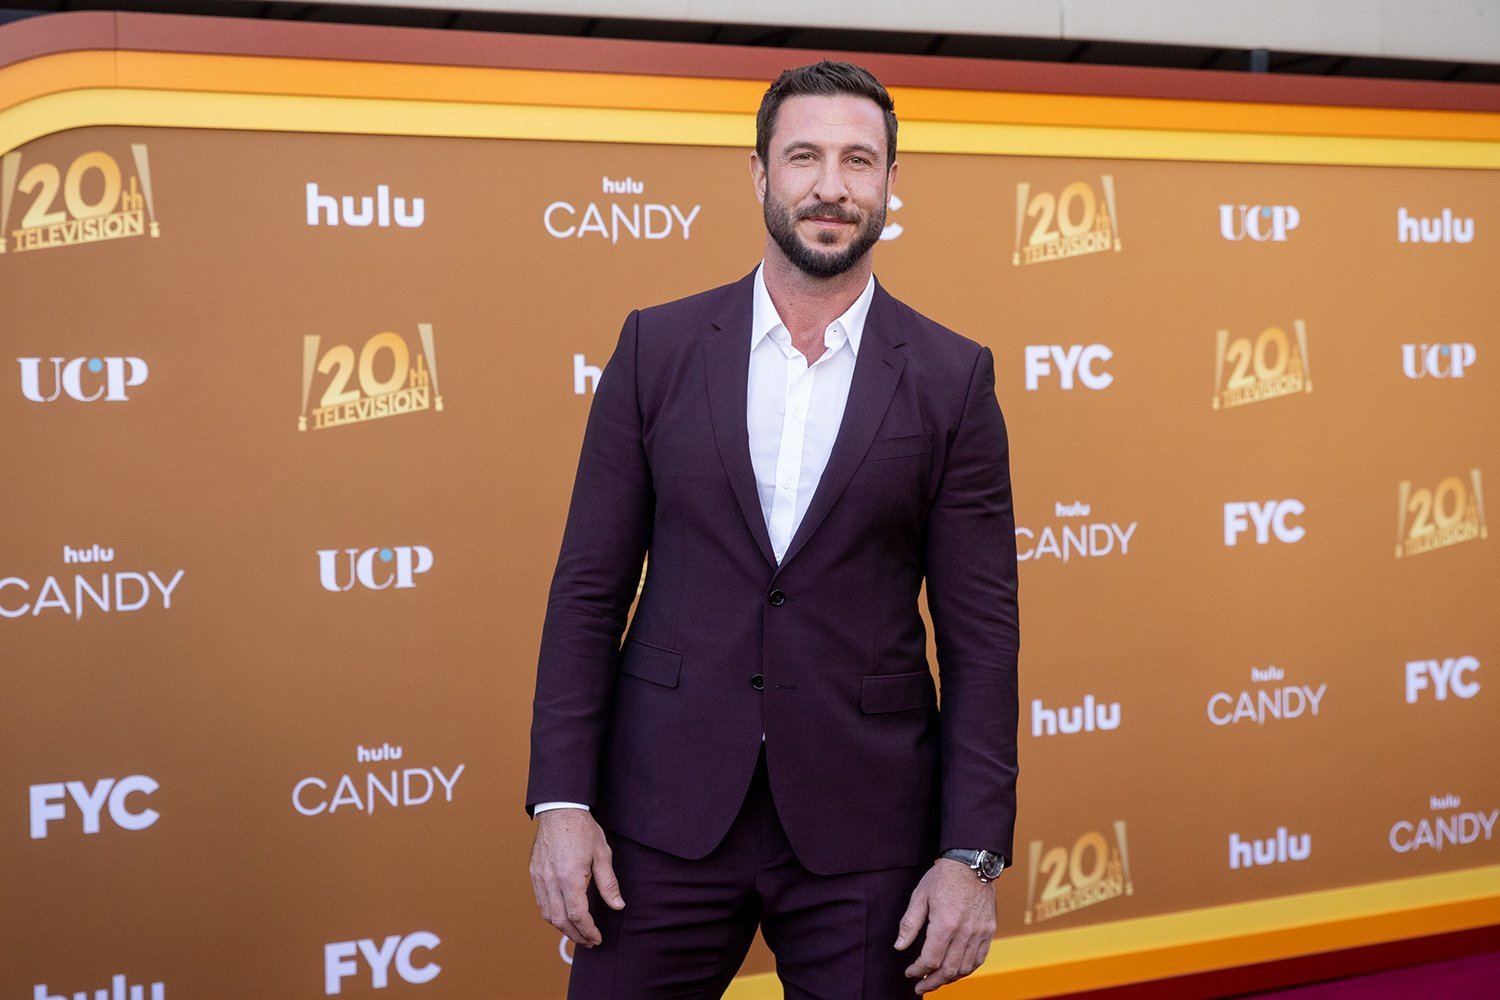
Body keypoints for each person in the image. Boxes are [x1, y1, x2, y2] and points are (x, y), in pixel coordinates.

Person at [527, 60, 1019, 999]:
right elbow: (588, 592)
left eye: (858, 161)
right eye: (804, 156)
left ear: (889, 184)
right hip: (658, 816)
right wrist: (563, 801)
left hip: (866, 832)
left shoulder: (953, 378)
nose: (831, 185)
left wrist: (971, 854)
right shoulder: (657, 349)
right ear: (759, 174)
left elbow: (983, 639)